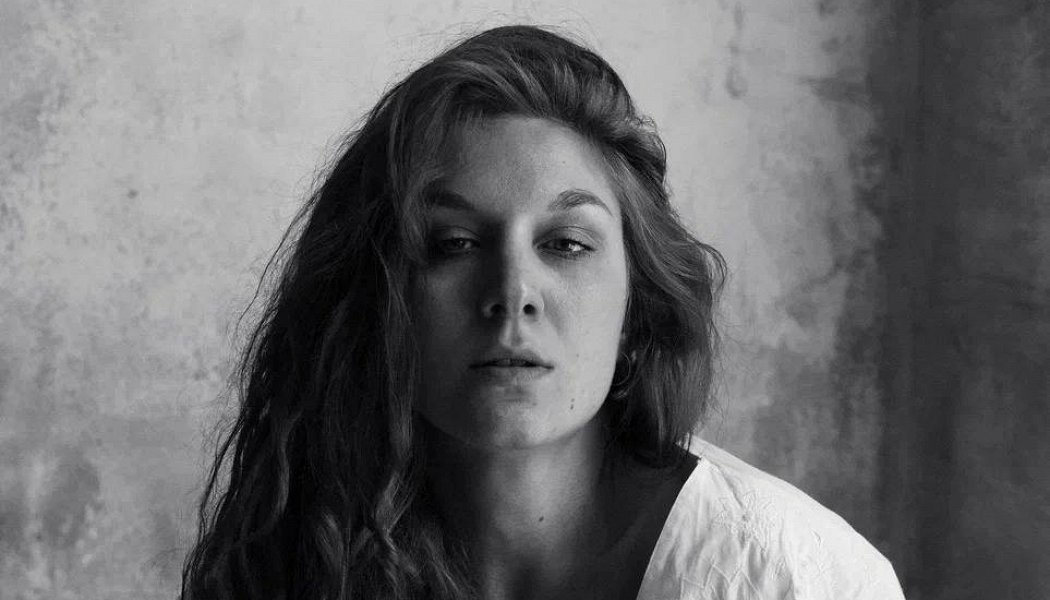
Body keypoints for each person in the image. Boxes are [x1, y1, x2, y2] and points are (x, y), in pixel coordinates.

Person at [180, 25, 905, 600]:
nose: (513, 290)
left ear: (638, 304)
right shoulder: (297, 559)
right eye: (454, 244)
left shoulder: (788, 577)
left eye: (566, 244)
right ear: (373, 300)